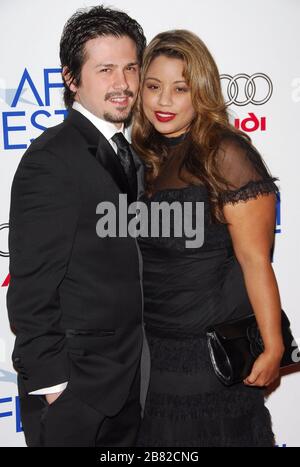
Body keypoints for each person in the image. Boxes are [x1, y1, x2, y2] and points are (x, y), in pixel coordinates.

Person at [132, 30, 284, 447]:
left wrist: (272, 347)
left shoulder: (225, 153)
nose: (163, 101)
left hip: (208, 360)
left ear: (201, 92)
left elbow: (255, 260)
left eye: (180, 89)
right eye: (154, 86)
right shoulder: (145, 158)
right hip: (153, 356)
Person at [7, 6, 146, 447]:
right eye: (104, 70)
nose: (122, 84)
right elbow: (30, 291)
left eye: (130, 68)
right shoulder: (52, 160)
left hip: (131, 383)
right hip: (79, 393)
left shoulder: (130, 153)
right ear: (71, 78)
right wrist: (55, 389)